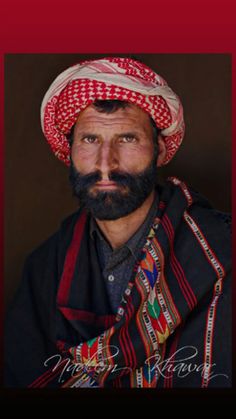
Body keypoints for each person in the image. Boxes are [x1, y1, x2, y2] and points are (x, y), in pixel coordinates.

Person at [5, 57, 231, 388]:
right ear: (69, 151)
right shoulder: (43, 270)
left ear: (160, 148)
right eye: (90, 139)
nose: (105, 163)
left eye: (127, 139)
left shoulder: (220, 251)